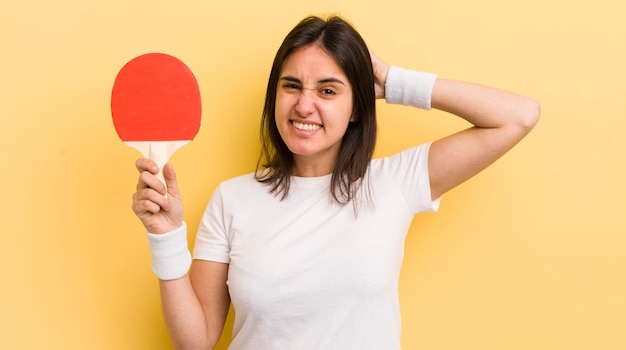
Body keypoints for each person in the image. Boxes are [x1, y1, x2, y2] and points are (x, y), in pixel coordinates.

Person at [131, 15, 540, 350]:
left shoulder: (393, 182)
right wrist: (165, 236)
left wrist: (394, 81)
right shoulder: (232, 198)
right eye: (291, 86)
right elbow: (196, 341)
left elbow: (517, 116)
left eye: (328, 90)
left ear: (358, 107)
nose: (304, 104)